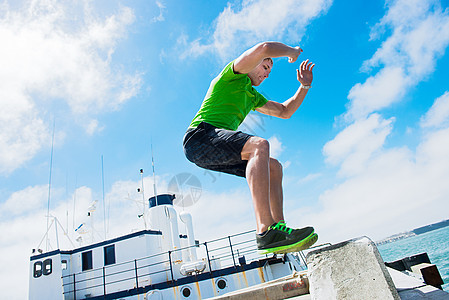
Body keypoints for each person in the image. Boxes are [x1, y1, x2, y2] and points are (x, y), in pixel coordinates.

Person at [183, 42, 317, 254]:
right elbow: (264, 48)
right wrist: (291, 52)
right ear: (252, 64)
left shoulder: (253, 96)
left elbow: (284, 111)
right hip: (200, 137)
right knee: (259, 145)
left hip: (211, 148)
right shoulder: (232, 75)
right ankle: (265, 231)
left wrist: (305, 86)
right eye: (265, 68)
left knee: (274, 167)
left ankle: (278, 229)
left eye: (269, 72)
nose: (267, 75)